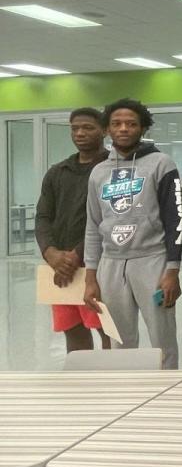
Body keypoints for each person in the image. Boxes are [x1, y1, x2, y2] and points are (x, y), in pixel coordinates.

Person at [83, 98, 182, 369]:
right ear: (107, 130)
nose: (124, 128)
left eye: (131, 123)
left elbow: (175, 219)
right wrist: (91, 277)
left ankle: (166, 391)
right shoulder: (98, 172)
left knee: (162, 338)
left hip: (152, 261)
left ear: (143, 128)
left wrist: (172, 270)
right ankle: (126, 393)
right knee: (119, 341)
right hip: (111, 264)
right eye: (116, 124)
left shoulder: (161, 163)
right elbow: (93, 225)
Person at [36, 107, 110, 353]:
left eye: (87, 127)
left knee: (107, 330)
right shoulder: (57, 172)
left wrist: (77, 255)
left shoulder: (112, 169)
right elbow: (44, 217)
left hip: (97, 266)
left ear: (103, 131)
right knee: (73, 331)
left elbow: (107, 219)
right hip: (60, 268)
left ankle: (114, 385)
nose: (80, 133)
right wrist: (51, 253)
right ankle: (81, 385)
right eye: (75, 128)